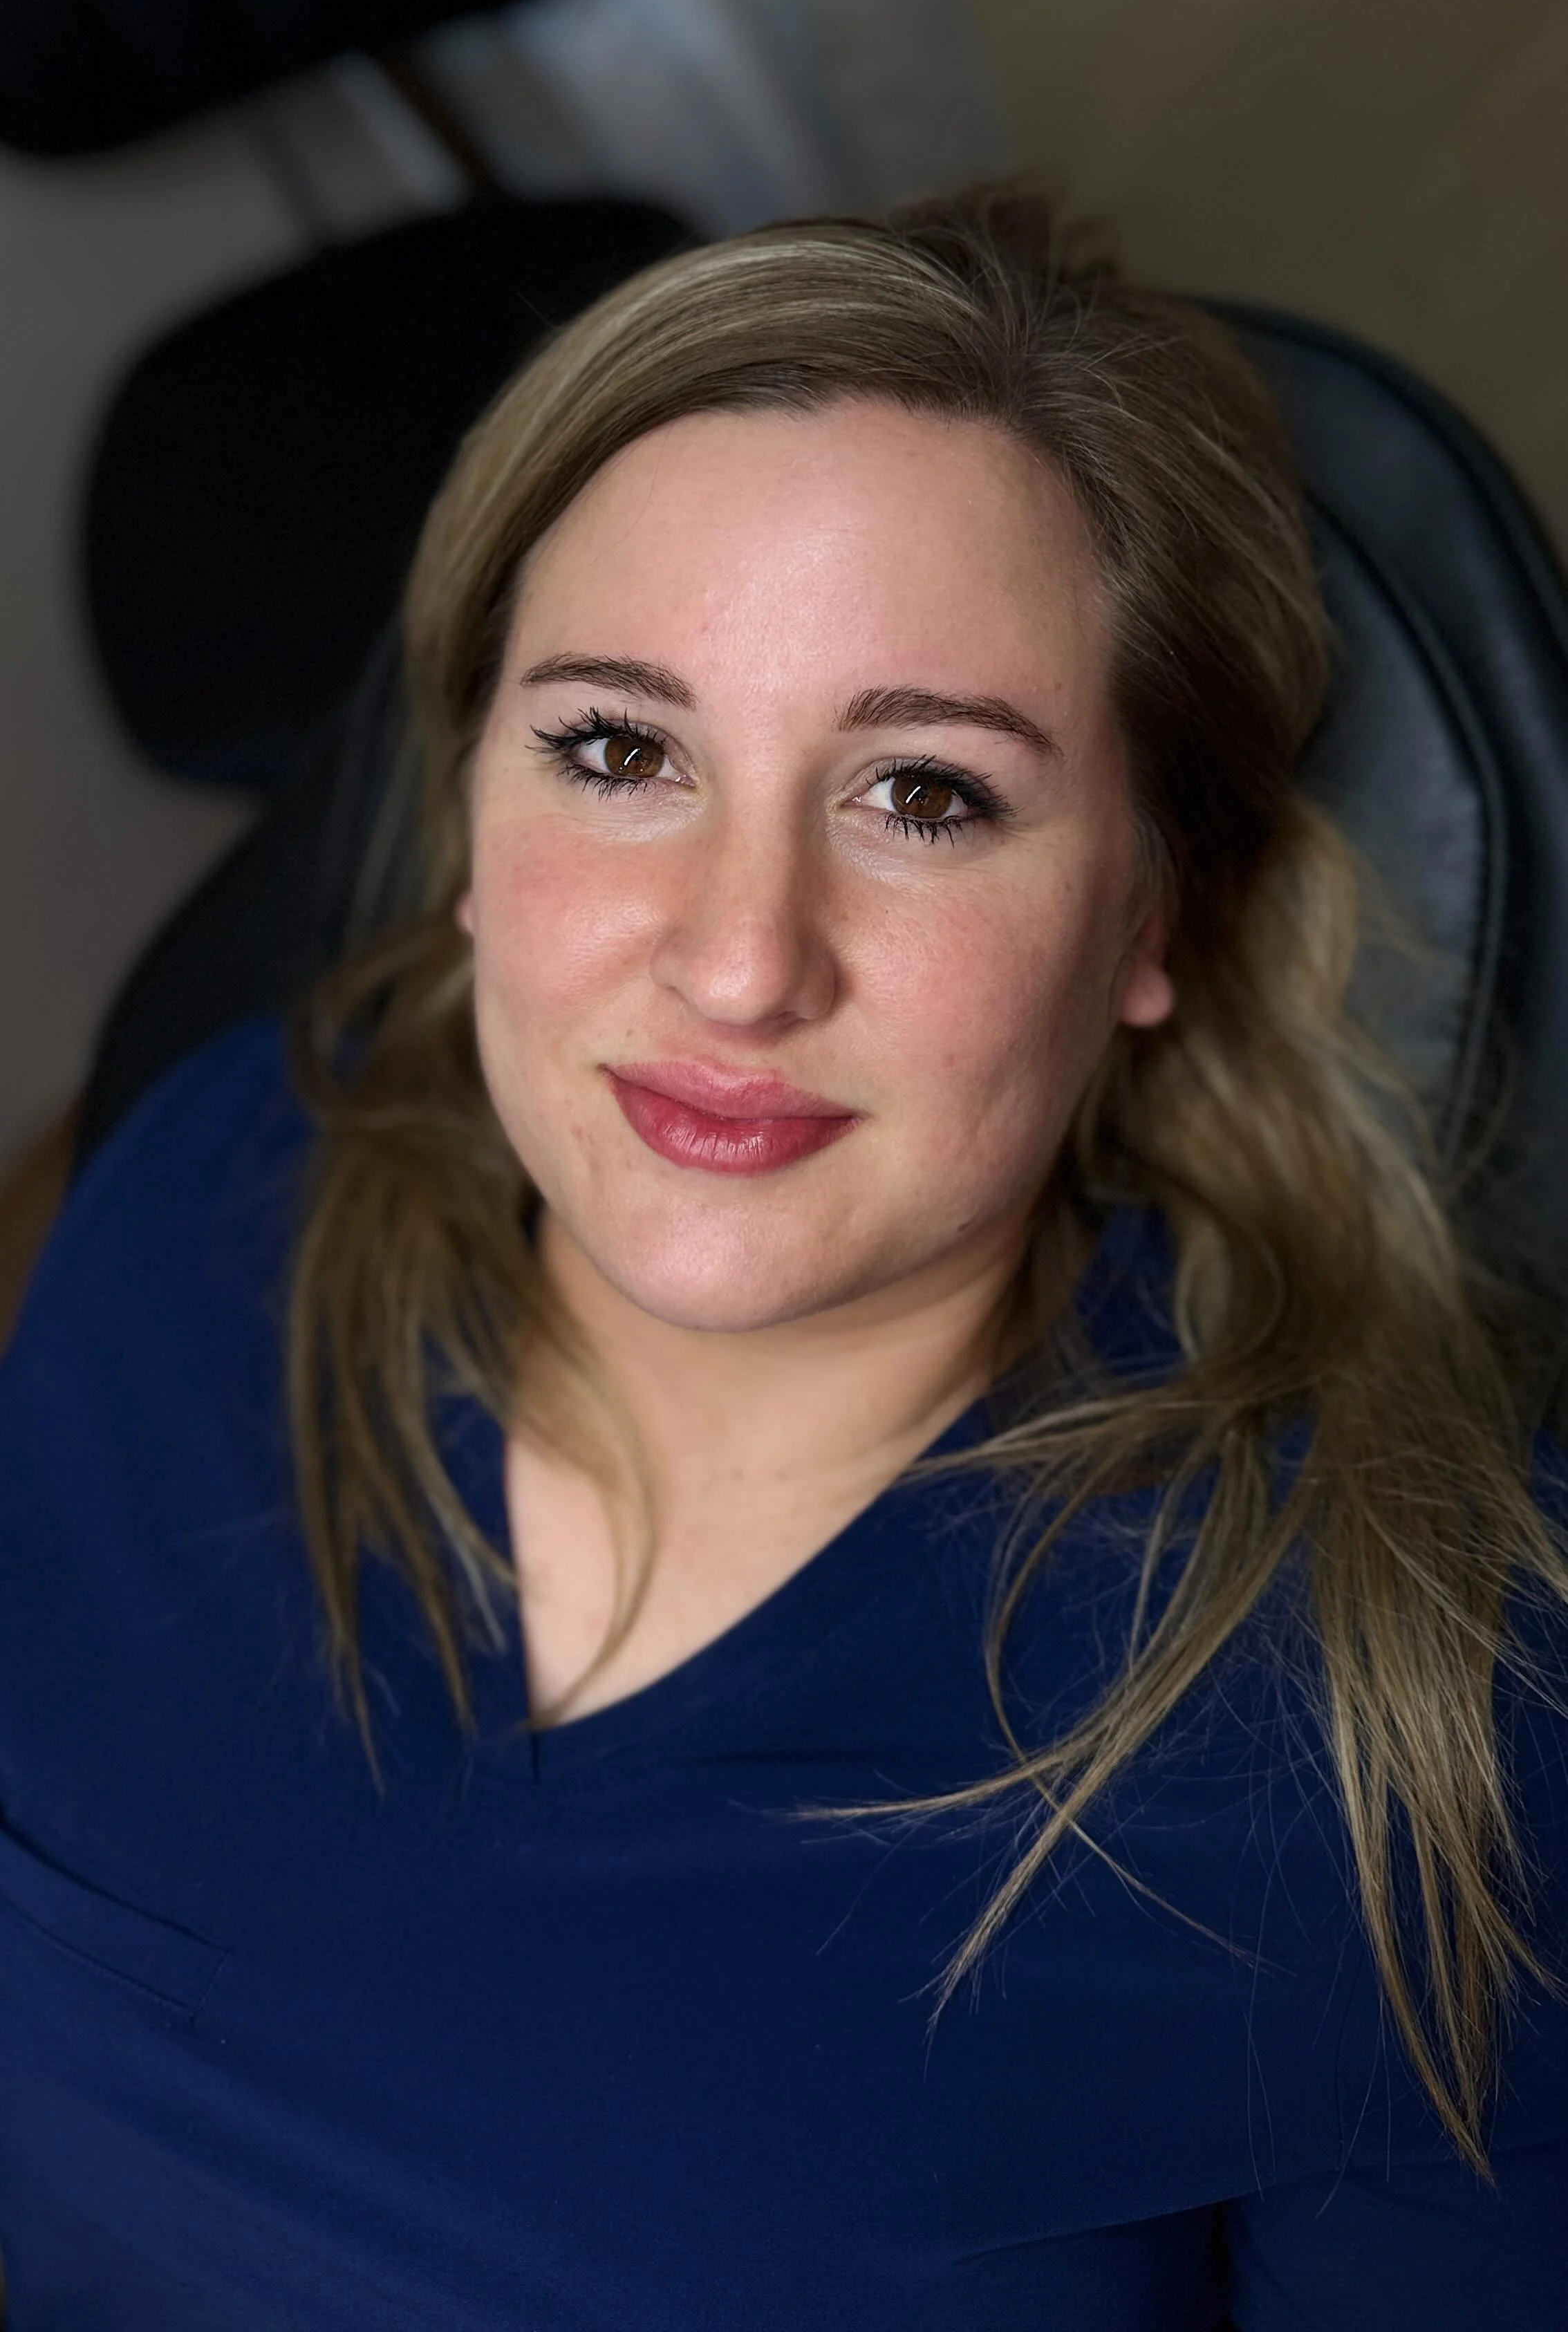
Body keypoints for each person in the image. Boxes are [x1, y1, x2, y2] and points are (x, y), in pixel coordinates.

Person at [0, 185, 1564, 2329]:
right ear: (467, 816)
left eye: (922, 796)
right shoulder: (220, 1185)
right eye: (618, 752)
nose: (739, 964)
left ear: (1150, 913)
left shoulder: (1429, 1733)